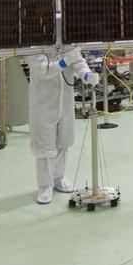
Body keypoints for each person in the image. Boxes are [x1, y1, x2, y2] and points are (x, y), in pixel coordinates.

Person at [24, 46, 97, 204]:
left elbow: (78, 62)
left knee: (63, 141)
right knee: (45, 147)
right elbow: (44, 71)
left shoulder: (67, 44)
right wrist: (65, 61)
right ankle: (44, 186)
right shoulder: (37, 46)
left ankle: (59, 178)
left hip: (65, 103)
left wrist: (87, 74)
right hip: (43, 104)